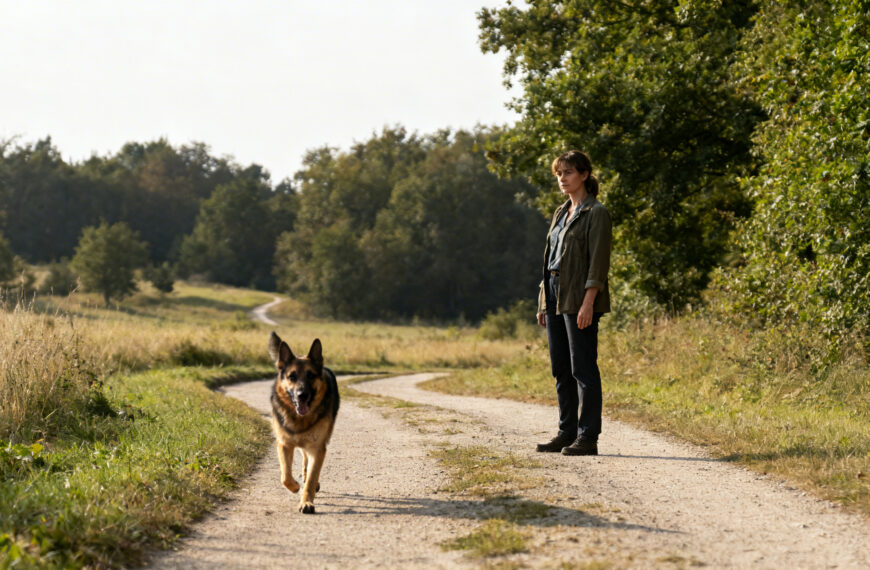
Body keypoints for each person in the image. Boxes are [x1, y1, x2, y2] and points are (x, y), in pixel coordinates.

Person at [535, 150, 612, 456]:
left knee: (583, 367)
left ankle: (588, 436)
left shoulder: (596, 213)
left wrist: (588, 302)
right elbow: (550, 259)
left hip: (579, 294)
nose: (562, 179)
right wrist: (544, 301)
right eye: (558, 174)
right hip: (554, 291)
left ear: (583, 174)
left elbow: (598, 263)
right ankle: (566, 432)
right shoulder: (560, 212)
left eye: (567, 173)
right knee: (560, 369)